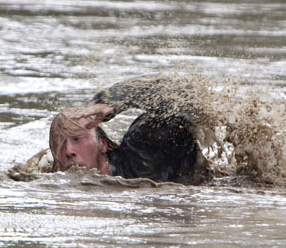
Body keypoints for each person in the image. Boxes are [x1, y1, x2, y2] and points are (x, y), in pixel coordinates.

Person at [49, 75, 210, 184]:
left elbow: (185, 96)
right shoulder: (53, 179)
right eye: (60, 144)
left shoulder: (142, 146)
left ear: (103, 144)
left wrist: (112, 100)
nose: (68, 151)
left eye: (77, 138)